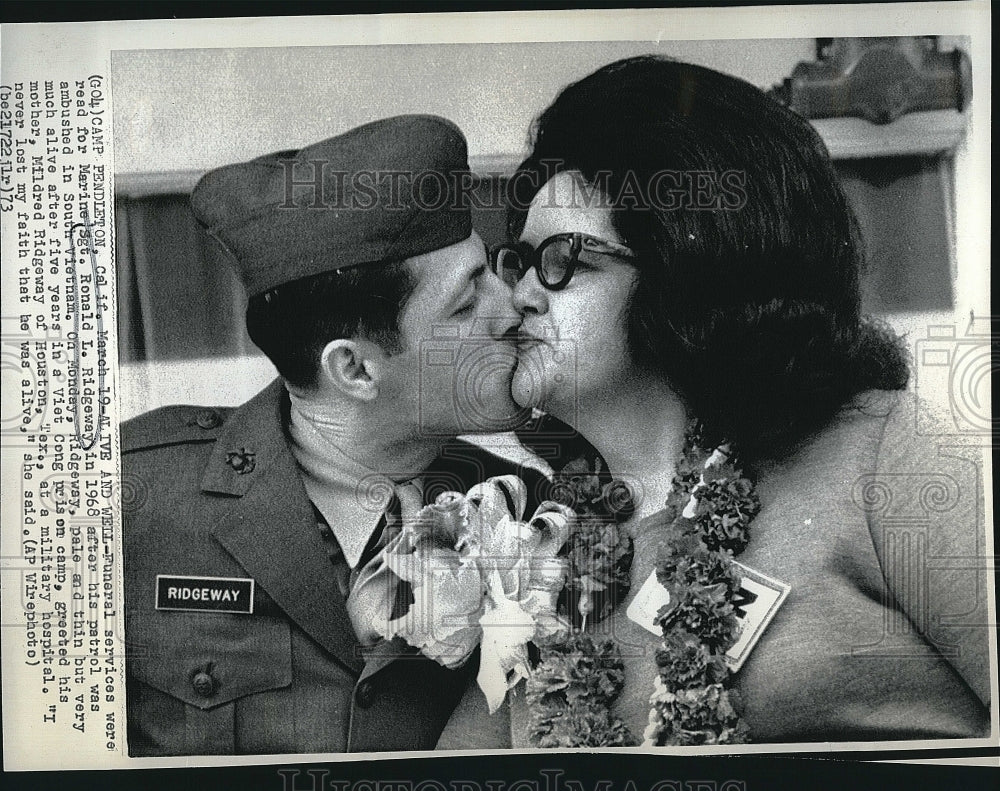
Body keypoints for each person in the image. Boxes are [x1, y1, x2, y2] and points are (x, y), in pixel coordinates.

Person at [438, 56, 990, 747]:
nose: (518, 295)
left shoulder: (878, 453)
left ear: (682, 274)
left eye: (563, 261)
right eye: (518, 260)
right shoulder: (539, 552)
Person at [122, 115, 544, 755]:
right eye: (466, 301)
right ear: (354, 369)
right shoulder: (128, 497)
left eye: (491, 270)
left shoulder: (527, 512)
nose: (512, 307)